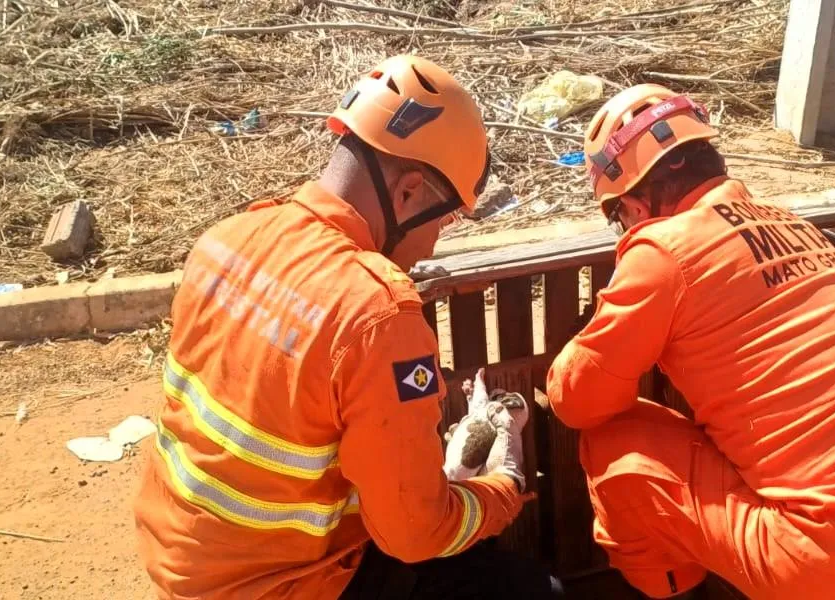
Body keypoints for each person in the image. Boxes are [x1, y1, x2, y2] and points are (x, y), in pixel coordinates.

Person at [134, 55, 563, 600]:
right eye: (445, 220)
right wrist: (504, 485)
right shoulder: (376, 314)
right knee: (532, 591)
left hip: (186, 562)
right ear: (407, 192)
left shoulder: (229, 238)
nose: (434, 243)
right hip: (286, 586)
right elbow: (415, 535)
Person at [546, 83, 835, 599]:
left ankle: (679, 591)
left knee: (616, 442)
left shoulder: (664, 250)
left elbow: (577, 401)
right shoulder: (794, 226)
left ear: (636, 206)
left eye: (618, 217)